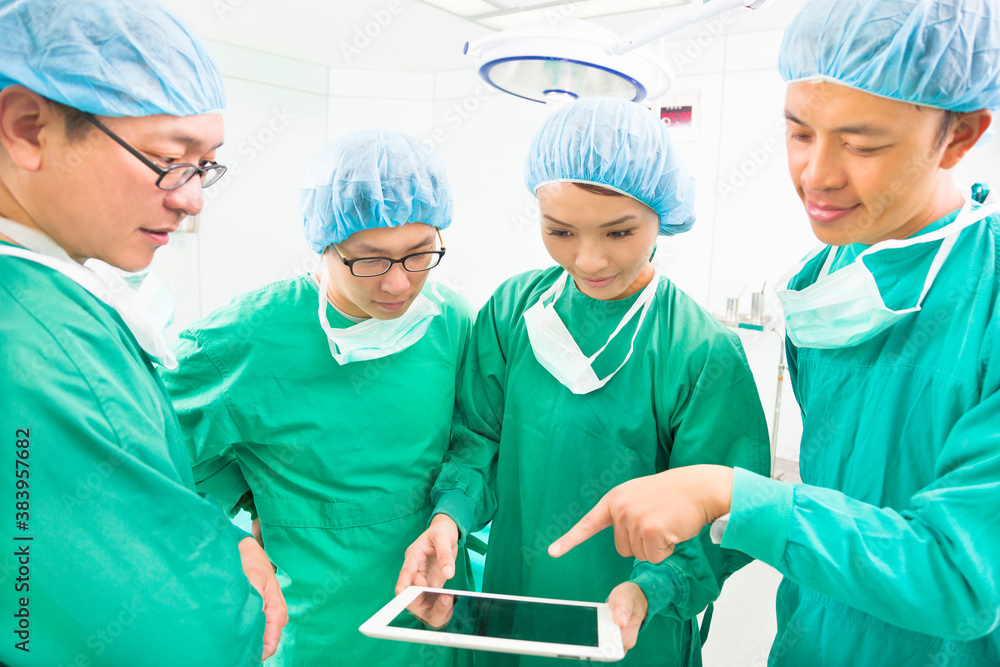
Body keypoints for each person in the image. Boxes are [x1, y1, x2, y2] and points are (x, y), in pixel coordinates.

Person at [550, 2, 1000, 665]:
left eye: (862, 144)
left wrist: (730, 493)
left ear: (958, 136)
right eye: (798, 133)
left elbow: (962, 579)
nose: (817, 175)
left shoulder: (984, 299)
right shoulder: (831, 281)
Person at [397, 97, 771, 666]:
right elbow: (477, 442)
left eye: (619, 232)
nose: (590, 260)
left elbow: (722, 513)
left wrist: (652, 589)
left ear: (661, 215)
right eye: (561, 231)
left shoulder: (698, 352)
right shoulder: (512, 312)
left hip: (632, 629)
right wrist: (450, 519)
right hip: (514, 604)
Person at [0, 1, 286, 665]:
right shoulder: (38, 348)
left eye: (205, 167)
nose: (192, 199)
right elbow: (176, 632)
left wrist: (221, 537)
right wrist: (231, 573)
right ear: (26, 129)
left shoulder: (64, 304)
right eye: (169, 159)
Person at [160, 129, 476, 665]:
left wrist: (451, 517)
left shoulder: (452, 323)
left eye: (420, 255)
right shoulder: (244, 340)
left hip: (436, 607)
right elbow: (152, 459)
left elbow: (473, 444)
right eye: (369, 260)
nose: (399, 285)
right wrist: (255, 499)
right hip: (318, 623)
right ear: (325, 242)